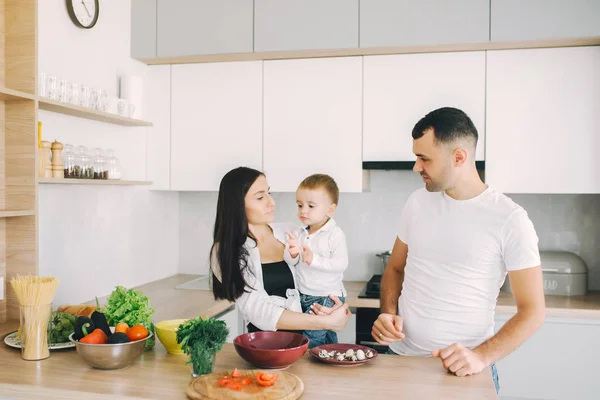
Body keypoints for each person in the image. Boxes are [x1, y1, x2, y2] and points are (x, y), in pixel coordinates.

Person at [371, 107, 545, 394]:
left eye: (424, 158)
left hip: (463, 374)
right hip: (400, 360)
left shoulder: (510, 219)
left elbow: (533, 311)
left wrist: (481, 356)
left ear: (459, 157)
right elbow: (395, 268)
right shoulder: (417, 202)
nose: (417, 167)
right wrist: (387, 313)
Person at [210, 166, 350, 335]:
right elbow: (258, 310)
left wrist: (336, 308)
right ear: (237, 204)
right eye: (261, 197)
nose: (271, 202)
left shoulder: (290, 232)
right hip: (267, 347)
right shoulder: (224, 251)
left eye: (269, 193)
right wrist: (325, 322)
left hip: (309, 341)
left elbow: (320, 275)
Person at [284, 174, 349, 348]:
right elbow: (293, 263)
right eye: (299, 205)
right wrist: (292, 253)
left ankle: (310, 374)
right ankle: (330, 368)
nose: (303, 211)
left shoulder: (334, 234)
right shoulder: (299, 232)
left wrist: (314, 259)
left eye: (311, 206)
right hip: (305, 294)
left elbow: (340, 264)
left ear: (330, 210)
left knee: (312, 341)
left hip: (326, 296)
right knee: (326, 338)